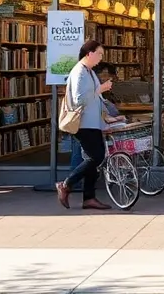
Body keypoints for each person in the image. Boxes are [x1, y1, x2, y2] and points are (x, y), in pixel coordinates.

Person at [55, 40, 112, 211]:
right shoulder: (79, 72)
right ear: (89, 53)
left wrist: (107, 116)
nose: (101, 58)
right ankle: (66, 184)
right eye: (99, 54)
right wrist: (99, 89)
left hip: (92, 122)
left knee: (92, 160)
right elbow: (79, 99)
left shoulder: (89, 71)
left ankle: (89, 198)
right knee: (97, 157)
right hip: (84, 123)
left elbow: (95, 99)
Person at [67, 61, 122, 190]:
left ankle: (80, 185)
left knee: (87, 154)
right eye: (105, 75)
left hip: (88, 124)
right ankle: (71, 183)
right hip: (83, 124)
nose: (108, 79)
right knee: (87, 155)